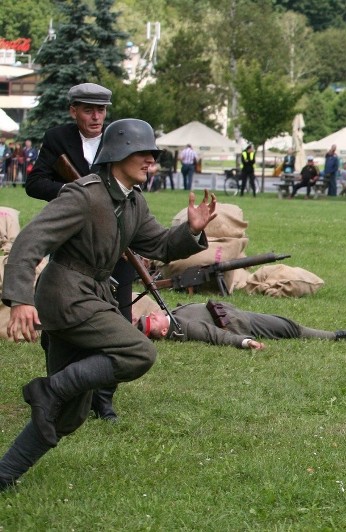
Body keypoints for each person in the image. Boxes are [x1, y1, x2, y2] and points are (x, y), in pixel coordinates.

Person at [0, 118, 217, 493]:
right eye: (144, 155)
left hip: (89, 295)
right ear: (118, 154)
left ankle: (4, 474)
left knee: (69, 414)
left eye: (152, 155)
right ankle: (47, 390)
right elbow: (30, 242)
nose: (151, 162)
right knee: (138, 352)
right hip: (66, 296)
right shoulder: (83, 195)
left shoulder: (133, 202)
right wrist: (19, 299)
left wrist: (192, 230)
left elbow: (161, 246)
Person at [25, 83, 130, 421]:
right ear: (74, 111)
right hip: (72, 245)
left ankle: (103, 399)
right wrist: (74, 192)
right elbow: (35, 182)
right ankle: (59, 388)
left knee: (120, 321)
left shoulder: (119, 138)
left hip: (114, 241)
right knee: (59, 324)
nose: (96, 116)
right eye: (88, 109)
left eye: (101, 110)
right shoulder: (58, 138)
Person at [136, 301, 346, 347]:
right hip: (242, 323)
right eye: (151, 322)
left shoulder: (169, 315)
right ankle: (336, 336)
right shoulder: (182, 327)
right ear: (164, 331)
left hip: (235, 313)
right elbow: (216, 336)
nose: (152, 316)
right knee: (290, 328)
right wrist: (245, 341)